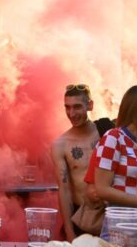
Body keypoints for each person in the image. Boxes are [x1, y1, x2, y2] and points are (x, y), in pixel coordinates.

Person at [51, 84, 100, 241]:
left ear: (90, 105)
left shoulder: (106, 132)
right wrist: (69, 231)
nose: (71, 113)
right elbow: (64, 191)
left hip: (110, 214)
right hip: (81, 219)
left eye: (77, 107)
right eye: (67, 107)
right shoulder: (60, 144)